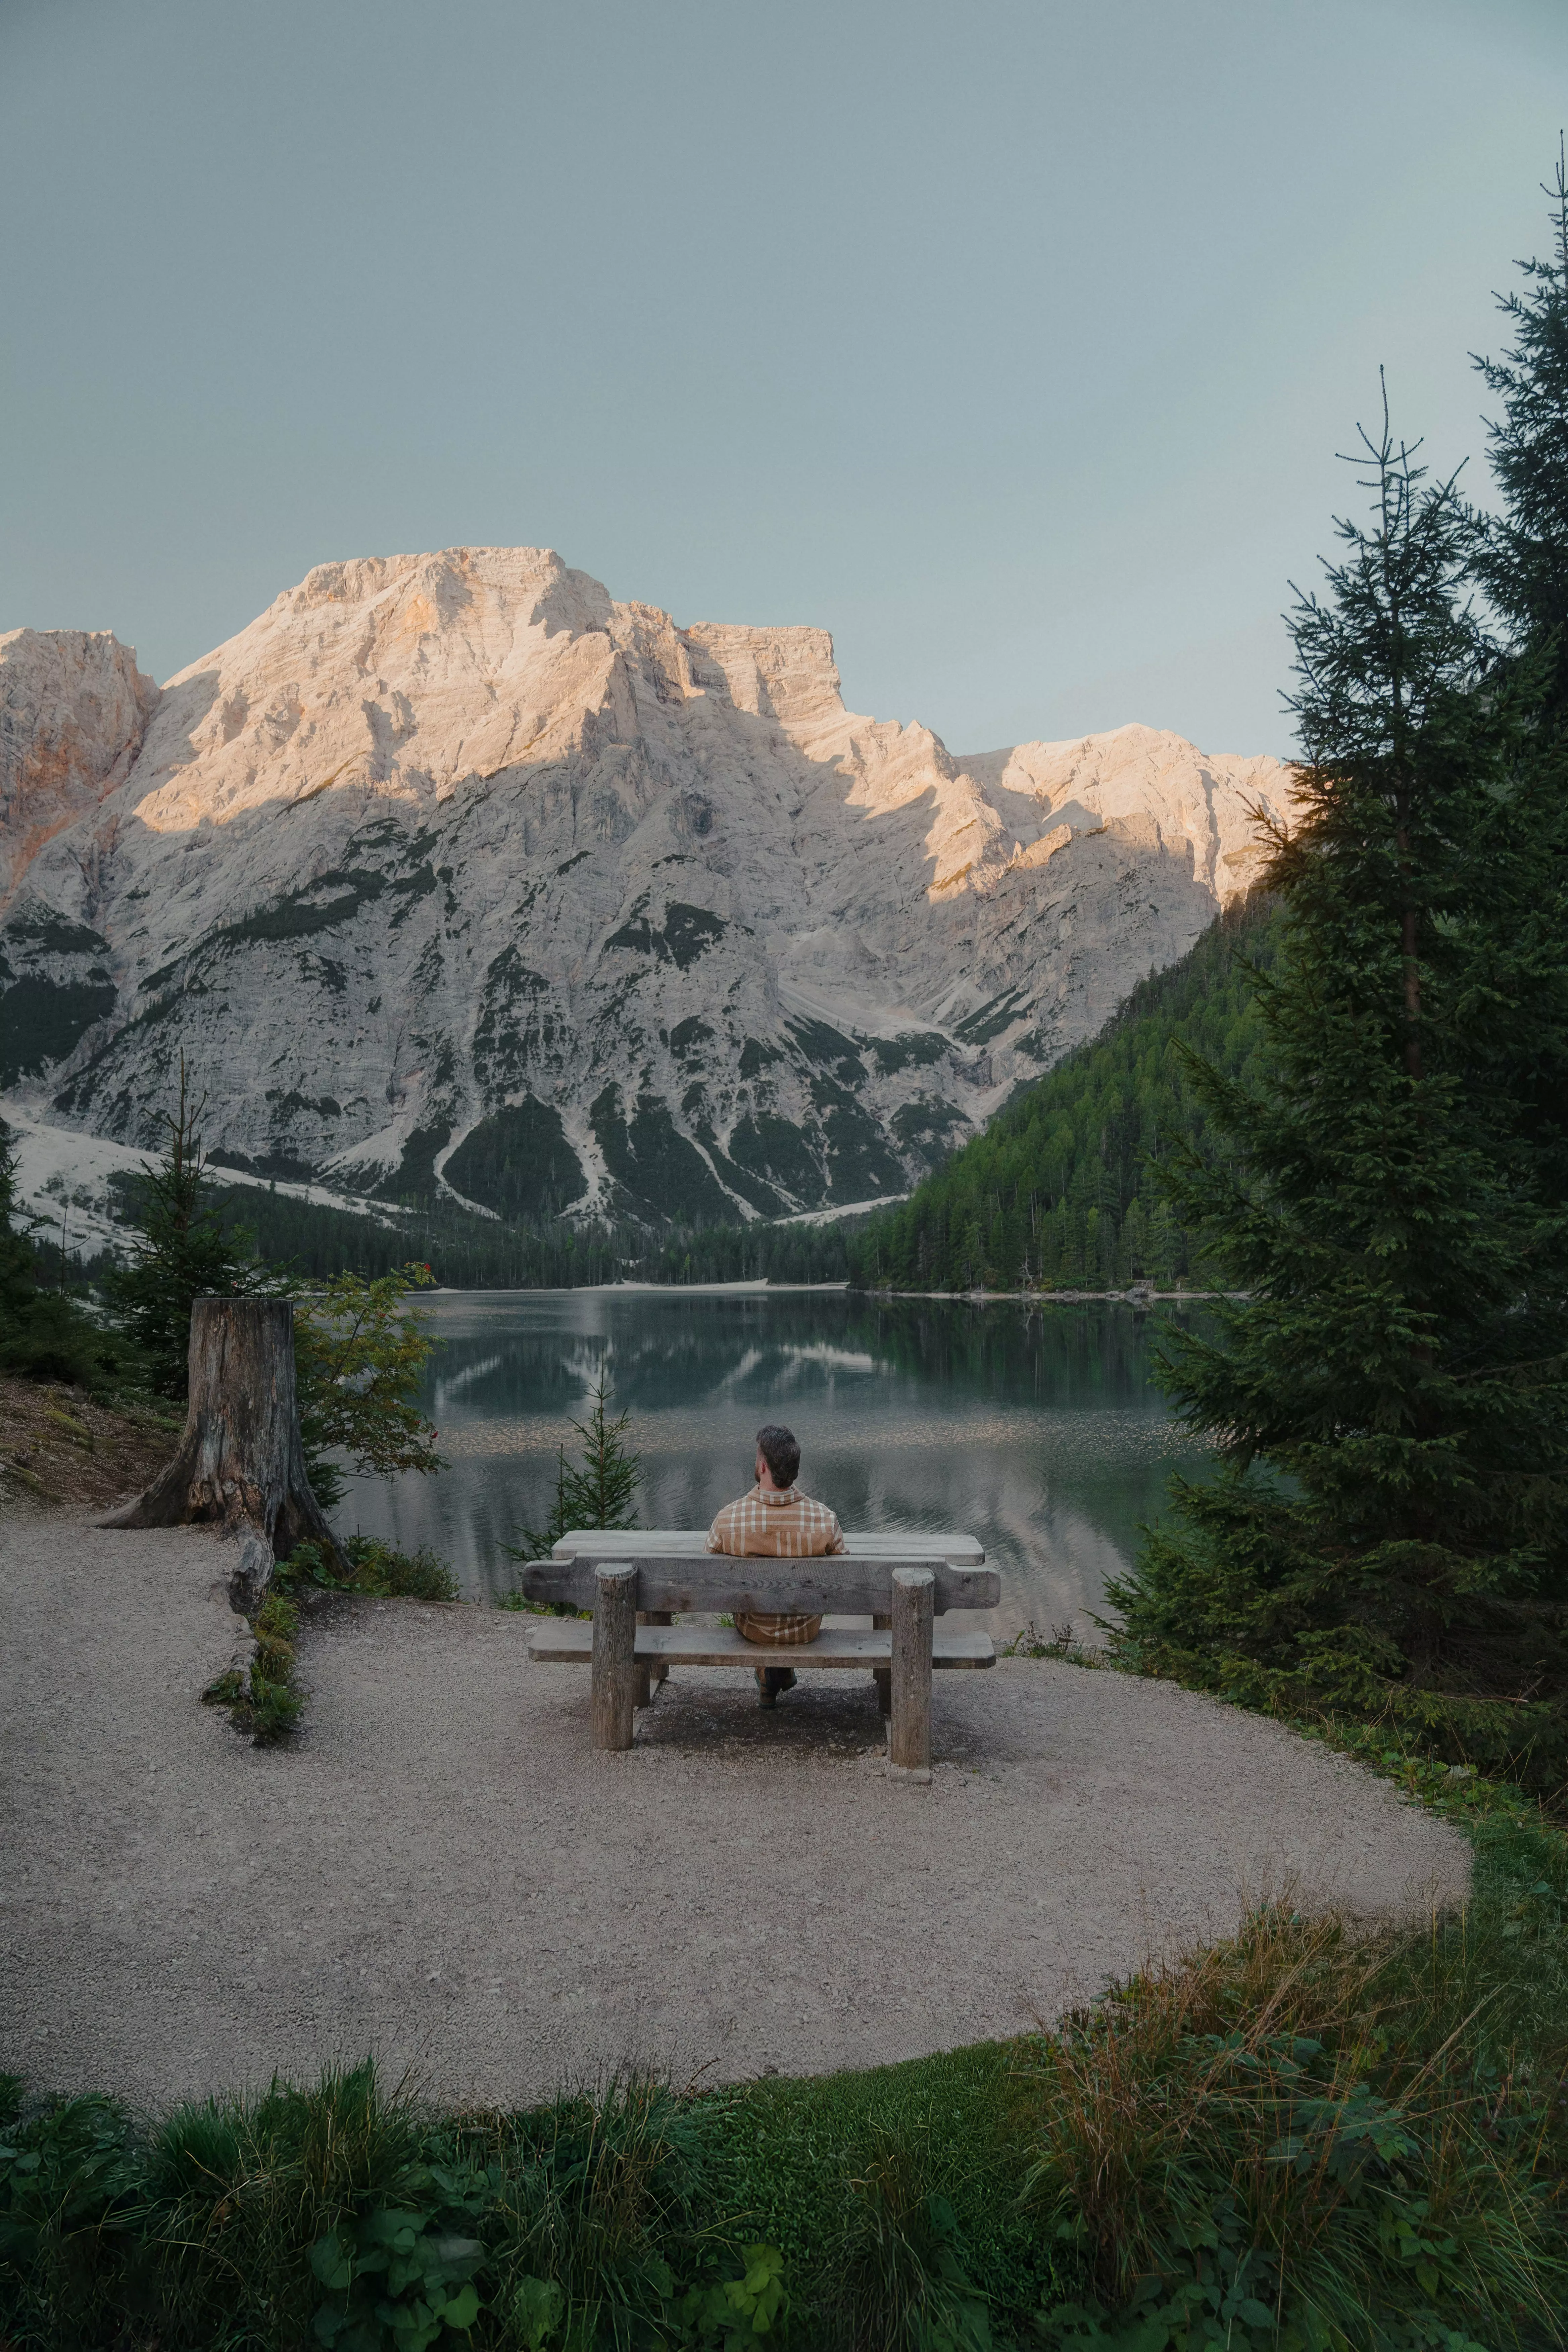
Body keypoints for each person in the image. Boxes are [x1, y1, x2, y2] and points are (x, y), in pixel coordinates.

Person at [707, 1423, 845, 1705]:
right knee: (792, 1610)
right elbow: (843, 1571)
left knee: (764, 1611)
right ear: (794, 1470)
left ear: (763, 1467)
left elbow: (708, 1568)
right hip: (805, 1628)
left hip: (753, 1628)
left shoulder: (728, 1520)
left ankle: (770, 1674)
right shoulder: (825, 1520)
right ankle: (778, 1673)